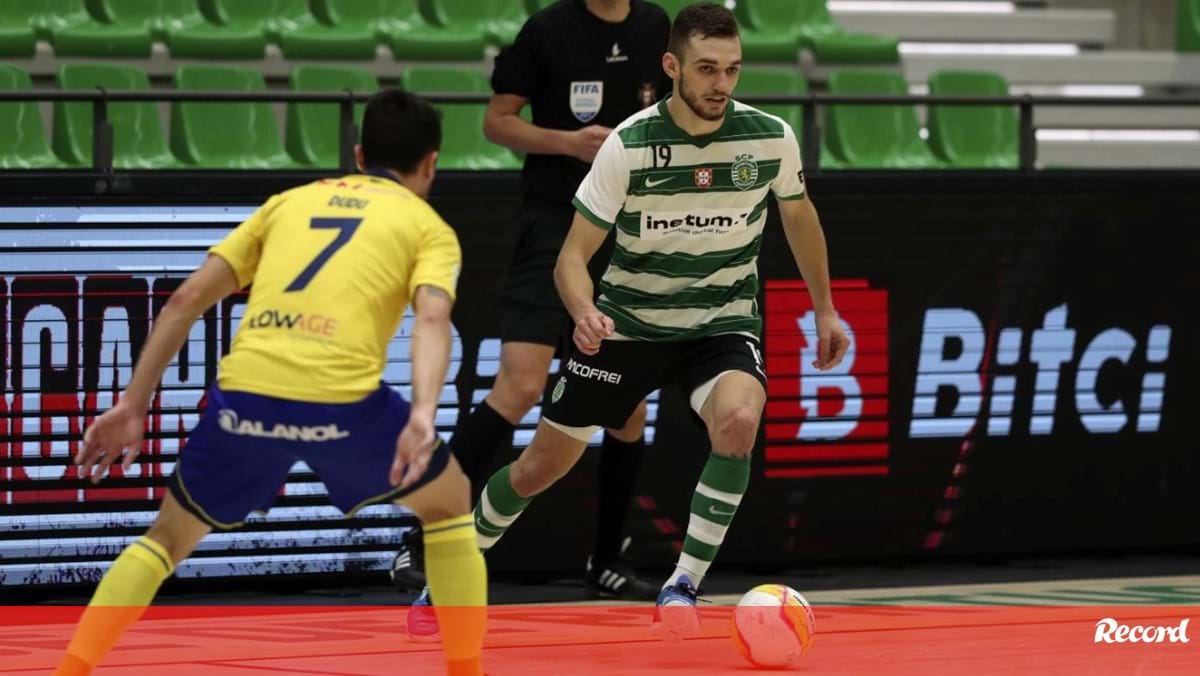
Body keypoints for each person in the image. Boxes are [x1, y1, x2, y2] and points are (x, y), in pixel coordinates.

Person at [53, 90, 487, 676]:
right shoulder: (428, 226)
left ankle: (71, 669)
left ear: (359, 154)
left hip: (247, 394)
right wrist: (421, 416)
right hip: (341, 401)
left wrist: (134, 404)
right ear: (431, 164)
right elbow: (433, 320)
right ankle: (466, 669)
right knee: (450, 502)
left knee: (165, 540)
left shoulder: (287, 204)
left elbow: (184, 300)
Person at [466, 1, 850, 641]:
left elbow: (800, 213)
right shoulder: (630, 144)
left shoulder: (769, 136)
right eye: (706, 69)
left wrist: (826, 307)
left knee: (739, 419)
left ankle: (683, 587)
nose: (720, 84)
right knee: (538, 468)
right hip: (627, 329)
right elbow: (570, 258)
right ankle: (454, 569)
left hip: (720, 328)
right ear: (672, 66)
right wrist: (585, 310)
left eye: (731, 69)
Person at [392, 0, 671, 604]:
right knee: (519, 385)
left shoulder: (655, 26)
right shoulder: (548, 28)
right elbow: (498, 122)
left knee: (627, 409)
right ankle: (420, 542)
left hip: (627, 230)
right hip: (551, 221)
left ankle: (606, 561)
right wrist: (568, 143)